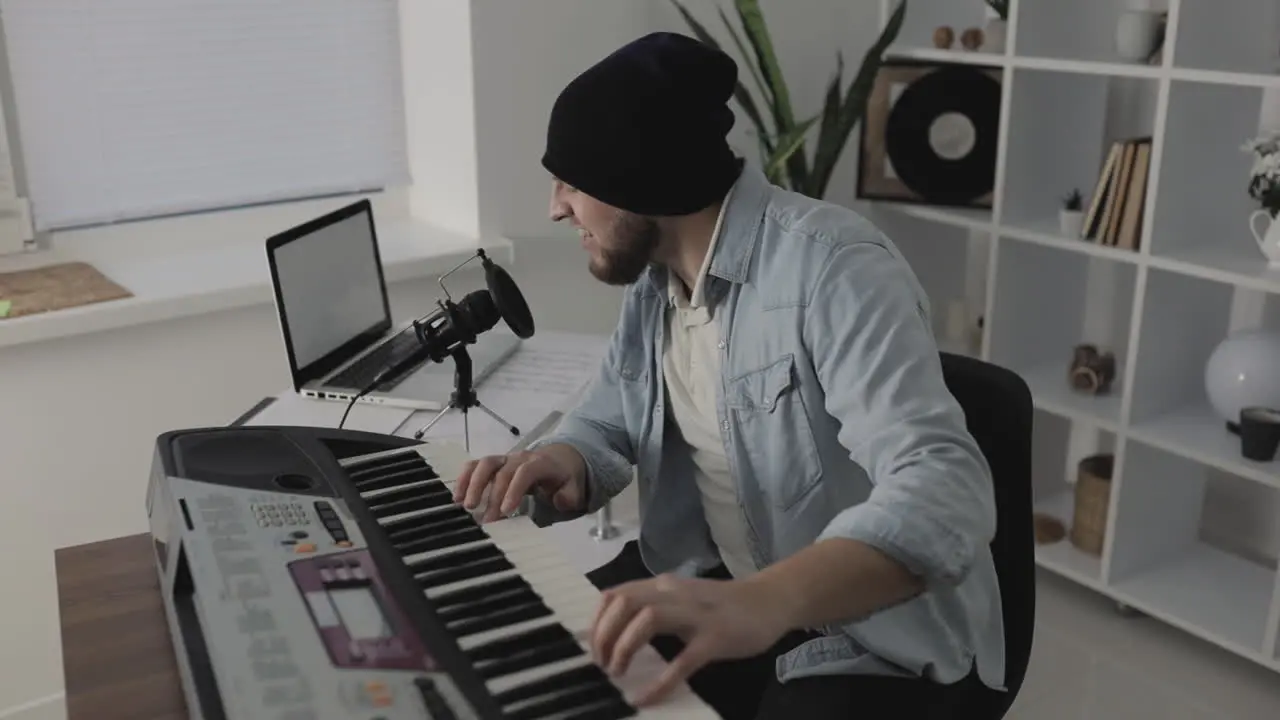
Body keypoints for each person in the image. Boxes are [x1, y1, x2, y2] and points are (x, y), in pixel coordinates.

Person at [451, 31, 1006, 720]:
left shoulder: (837, 268)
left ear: (639, 180)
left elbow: (946, 488)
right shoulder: (657, 278)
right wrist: (568, 458)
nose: (556, 207)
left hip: (864, 635)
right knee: (530, 670)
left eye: (572, 180)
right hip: (717, 585)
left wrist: (764, 600)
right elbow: (608, 417)